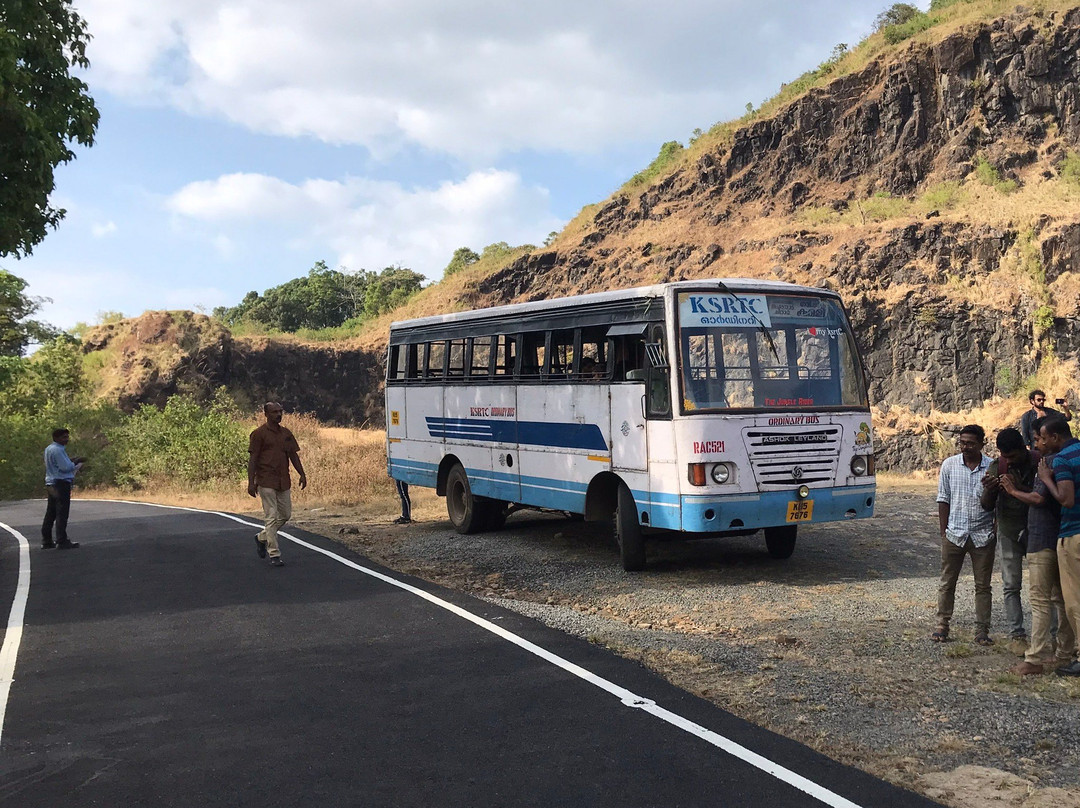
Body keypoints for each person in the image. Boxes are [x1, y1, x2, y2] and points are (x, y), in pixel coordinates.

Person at [1001, 417, 1075, 675]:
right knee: (1061, 599)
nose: (1036, 444)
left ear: (1053, 437)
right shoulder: (1064, 459)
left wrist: (1012, 490)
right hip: (1058, 536)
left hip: (1043, 538)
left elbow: (1039, 498)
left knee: (1041, 599)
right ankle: (1064, 652)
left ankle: (1034, 658)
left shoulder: (1051, 462)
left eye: (1039, 439)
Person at [934, 424, 996, 645]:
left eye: (970, 443)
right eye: (962, 442)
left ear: (981, 444)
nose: (965, 447)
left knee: (983, 586)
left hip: (983, 535)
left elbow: (998, 502)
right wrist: (944, 532)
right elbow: (943, 499)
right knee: (947, 582)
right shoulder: (949, 465)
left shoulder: (992, 467)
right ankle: (942, 625)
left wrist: (995, 529)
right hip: (954, 534)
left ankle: (982, 630)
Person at [979, 427, 1036, 653]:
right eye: (1005, 456)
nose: (1009, 461)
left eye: (1012, 456)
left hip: (1037, 531)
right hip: (1008, 531)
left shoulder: (1039, 463)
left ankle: (1050, 637)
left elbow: (1044, 497)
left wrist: (1016, 488)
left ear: (1023, 448)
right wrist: (990, 490)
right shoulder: (998, 466)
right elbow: (986, 506)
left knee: (1045, 587)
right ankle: (1017, 635)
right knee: (1011, 585)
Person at [1033, 416, 1080, 675]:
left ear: (1055, 437)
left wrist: (1046, 478)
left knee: (1074, 600)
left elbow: (1066, 499)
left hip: (1073, 534)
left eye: (1043, 437)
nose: (1041, 442)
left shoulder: (1062, 459)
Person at [248, 402, 307, 567]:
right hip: (266, 479)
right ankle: (274, 554)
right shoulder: (259, 434)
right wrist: (251, 482)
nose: (278, 415)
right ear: (266, 414)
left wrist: (302, 474)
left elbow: (293, 455)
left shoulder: (286, 433)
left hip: (283, 480)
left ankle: (261, 537)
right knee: (271, 516)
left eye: (280, 411)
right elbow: (253, 459)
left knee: (285, 514)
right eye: (274, 412)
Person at [42, 427, 85, 550]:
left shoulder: (49, 449)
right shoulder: (58, 450)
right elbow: (65, 467)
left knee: (51, 512)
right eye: (63, 437)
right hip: (60, 483)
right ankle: (61, 540)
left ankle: (47, 540)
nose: (66, 439)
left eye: (67, 437)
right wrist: (76, 462)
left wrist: (71, 461)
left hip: (51, 483)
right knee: (62, 512)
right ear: (56, 438)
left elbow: (58, 464)